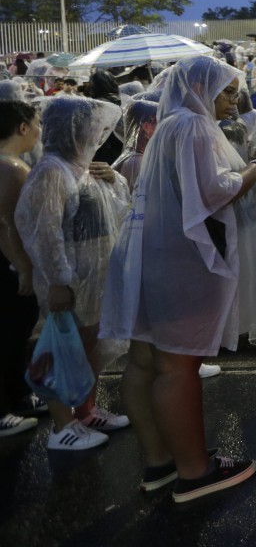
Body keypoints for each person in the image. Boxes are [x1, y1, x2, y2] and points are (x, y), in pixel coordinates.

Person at [100, 56, 256, 502]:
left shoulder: (169, 124)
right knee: (177, 365)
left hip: (150, 257)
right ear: (200, 89)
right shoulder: (195, 128)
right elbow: (214, 191)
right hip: (181, 263)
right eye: (225, 91)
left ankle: (160, 461)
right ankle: (195, 469)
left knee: (145, 362)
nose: (232, 100)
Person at [17, 96, 131, 451]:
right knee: (63, 351)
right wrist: (58, 281)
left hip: (92, 281)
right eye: (90, 126)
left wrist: (113, 179)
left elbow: (114, 211)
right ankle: (61, 427)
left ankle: (85, 410)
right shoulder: (51, 171)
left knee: (88, 349)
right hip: (70, 281)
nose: (96, 133)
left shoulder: (78, 167)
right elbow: (44, 232)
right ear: (71, 129)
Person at [0, 101, 42, 437]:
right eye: (37, 123)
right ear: (23, 127)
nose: (39, 131)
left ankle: (18, 396)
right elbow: (8, 226)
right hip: (8, 264)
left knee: (15, 337)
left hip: (9, 262)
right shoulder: (12, 168)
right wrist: (23, 267)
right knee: (9, 335)